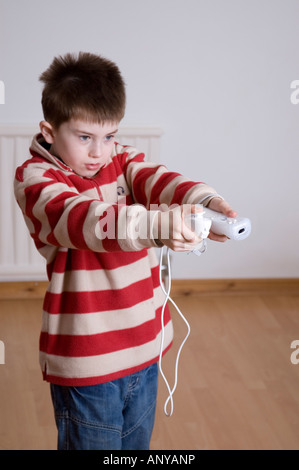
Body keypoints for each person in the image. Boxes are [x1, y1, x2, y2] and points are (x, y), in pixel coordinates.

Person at [14, 52, 236, 450]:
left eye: (109, 136)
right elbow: (87, 220)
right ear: (49, 131)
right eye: (84, 137)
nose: (100, 152)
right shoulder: (36, 180)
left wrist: (205, 203)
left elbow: (159, 178)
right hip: (89, 362)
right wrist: (159, 224)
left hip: (145, 351)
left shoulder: (120, 158)